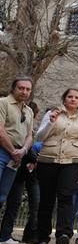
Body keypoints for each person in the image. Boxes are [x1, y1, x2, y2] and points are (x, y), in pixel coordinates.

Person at [35, 88, 78, 244]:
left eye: (76, 97)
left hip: (71, 162)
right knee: (46, 199)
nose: (73, 99)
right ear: (64, 99)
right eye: (70, 97)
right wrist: (51, 122)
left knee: (66, 197)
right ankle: (43, 236)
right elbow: (39, 137)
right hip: (48, 160)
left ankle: (63, 234)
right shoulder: (52, 113)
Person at [0, 102, 40, 244]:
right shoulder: (5, 106)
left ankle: (5, 235)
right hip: (9, 158)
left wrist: (23, 152)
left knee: (13, 202)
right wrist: (15, 151)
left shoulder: (28, 118)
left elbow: (28, 141)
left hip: (18, 169)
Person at [0, 77, 34, 216]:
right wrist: (13, 151)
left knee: (2, 197)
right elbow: (1, 131)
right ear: (13, 88)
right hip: (2, 151)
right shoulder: (3, 103)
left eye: (27, 89)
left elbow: (30, 136)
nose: (24, 92)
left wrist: (23, 151)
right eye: (21, 88)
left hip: (16, 157)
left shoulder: (29, 111)